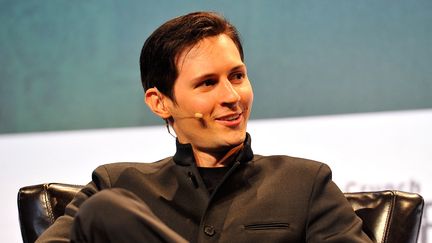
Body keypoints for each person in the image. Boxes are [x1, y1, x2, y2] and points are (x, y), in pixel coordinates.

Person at [36, 11, 372, 243]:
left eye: (237, 77)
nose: (231, 97)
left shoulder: (305, 184)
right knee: (105, 211)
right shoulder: (117, 186)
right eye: (207, 83)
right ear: (159, 102)